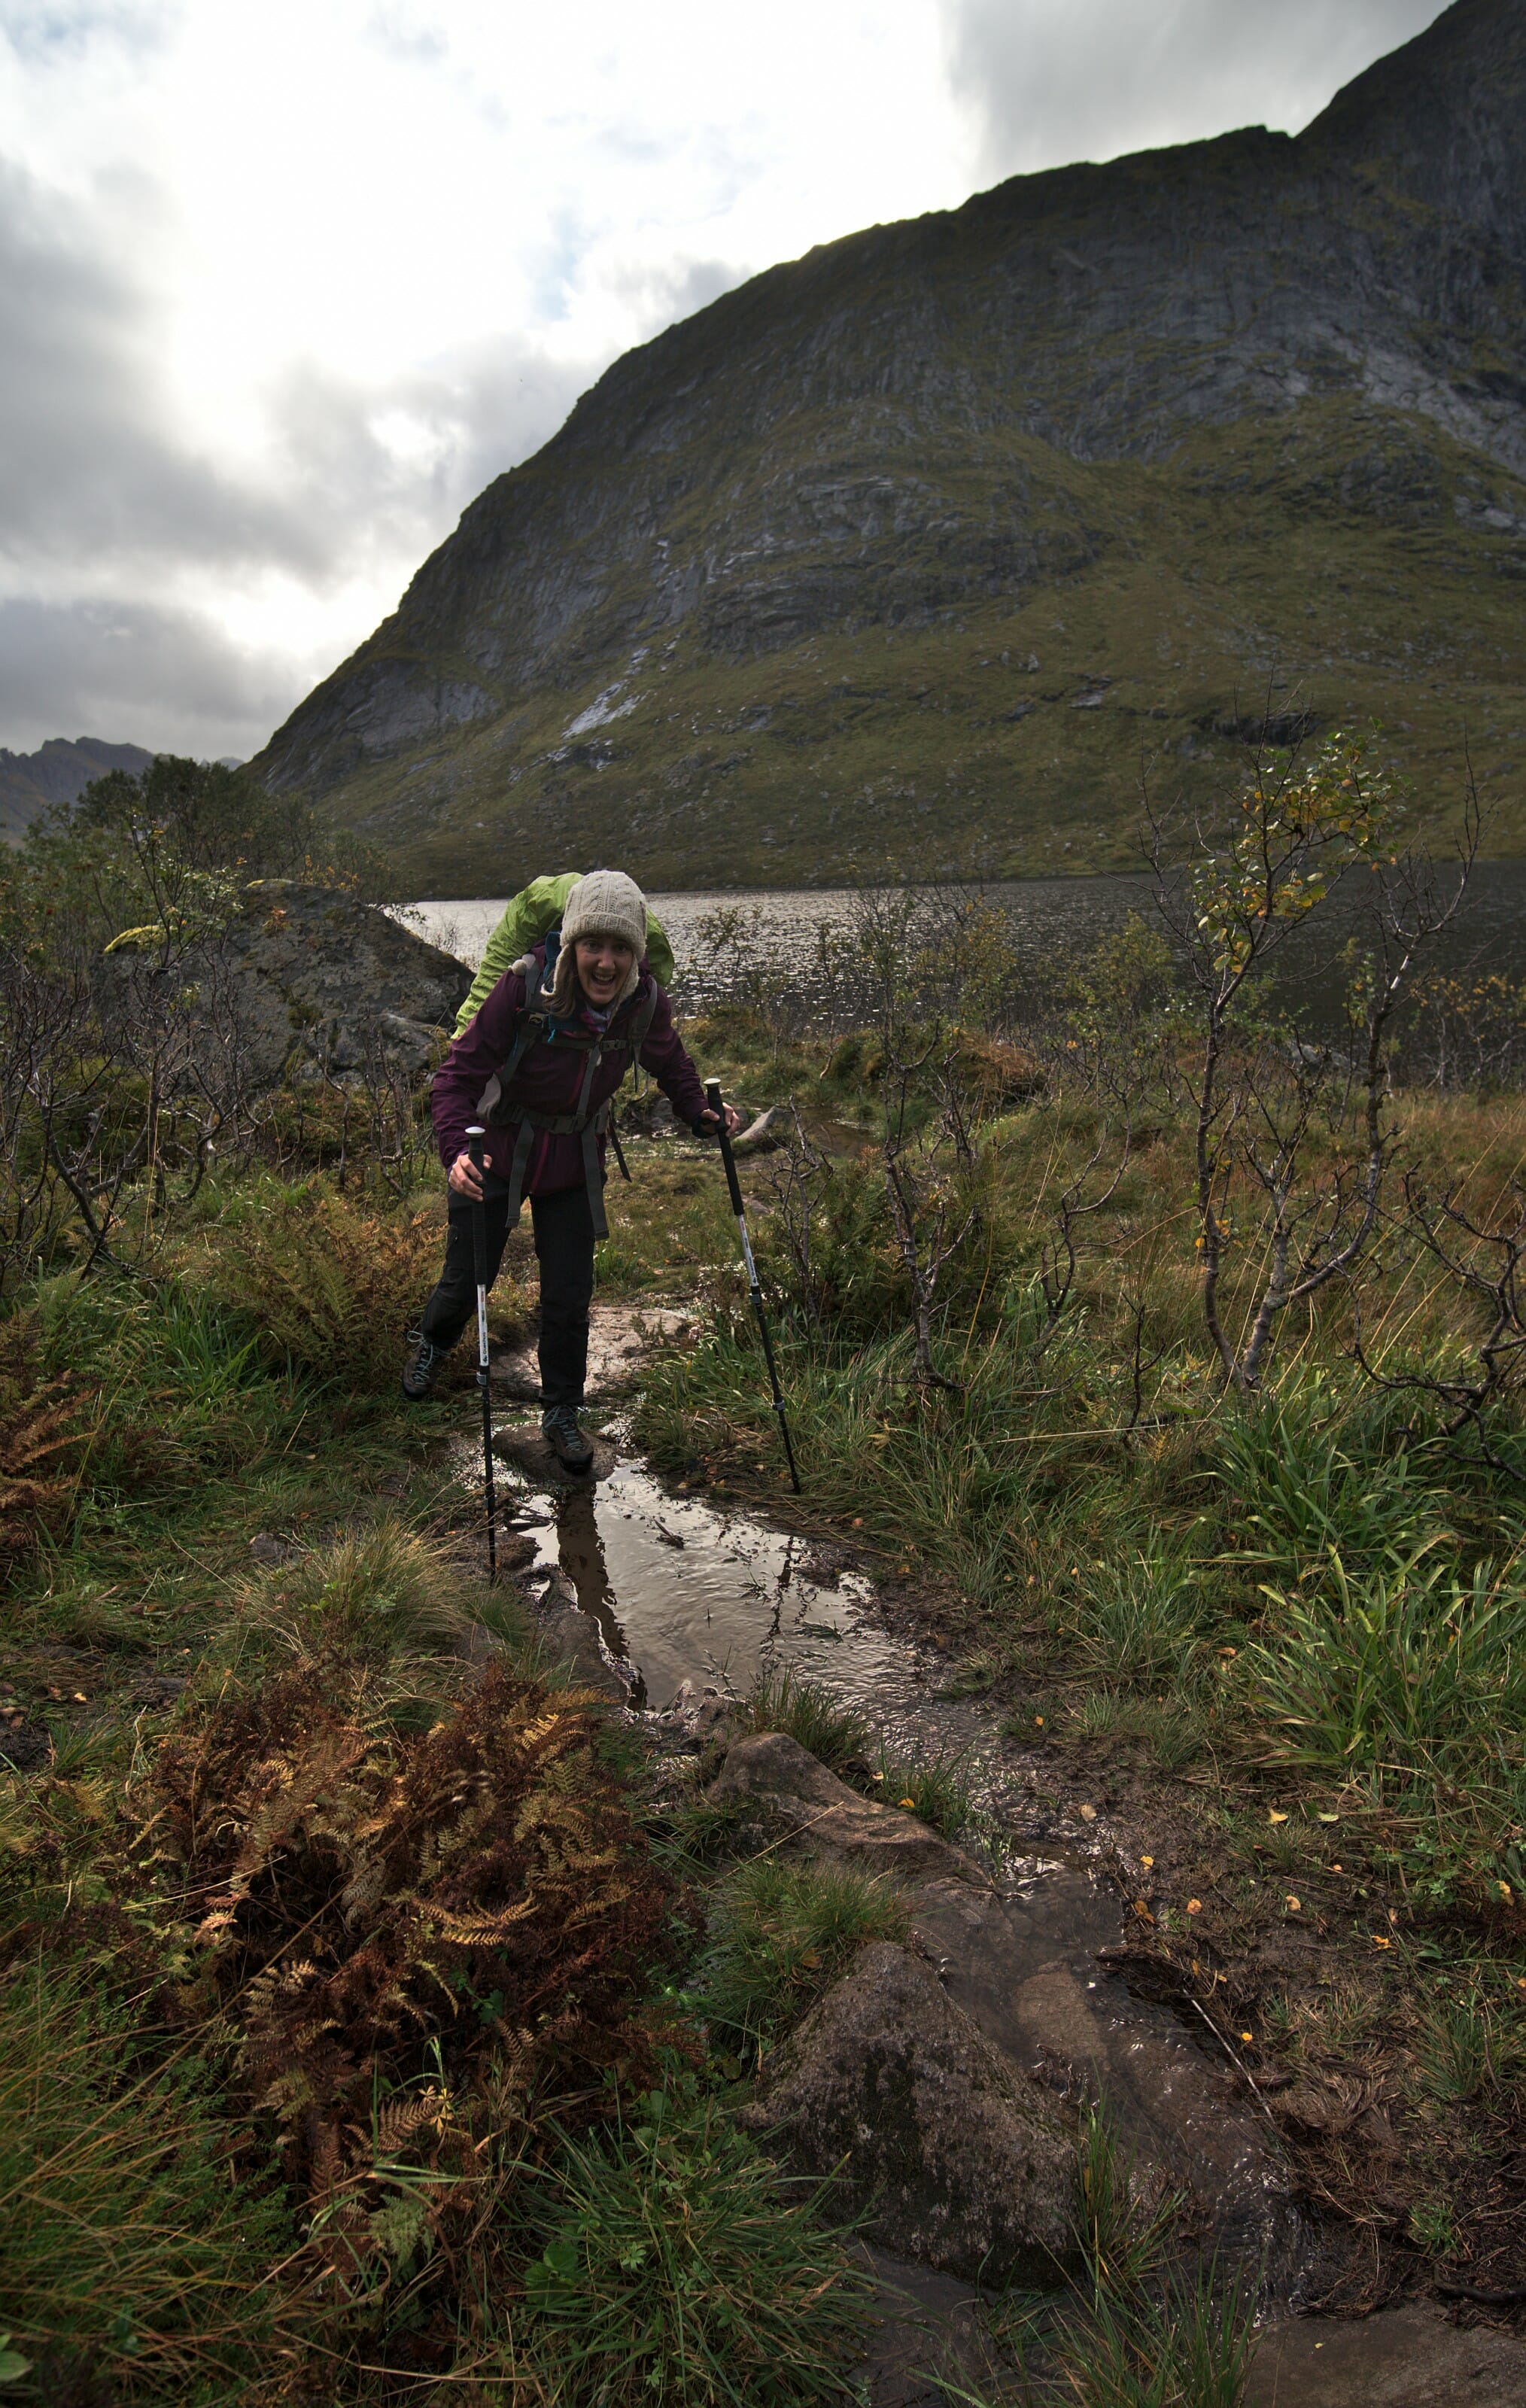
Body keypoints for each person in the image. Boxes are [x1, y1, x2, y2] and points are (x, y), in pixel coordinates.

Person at [403, 869, 738, 1471]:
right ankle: (431, 1343)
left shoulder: (644, 1002)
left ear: (636, 953)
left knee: (569, 1297)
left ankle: (561, 1413)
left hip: (575, 1158)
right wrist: (456, 1150)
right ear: (571, 944)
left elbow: (672, 1064)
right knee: (468, 1277)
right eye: (593, 945)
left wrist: (701, 1113)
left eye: (619, 948)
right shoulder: (526, 986)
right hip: (496, 1148)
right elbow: (457, 1075)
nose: (605, 963)